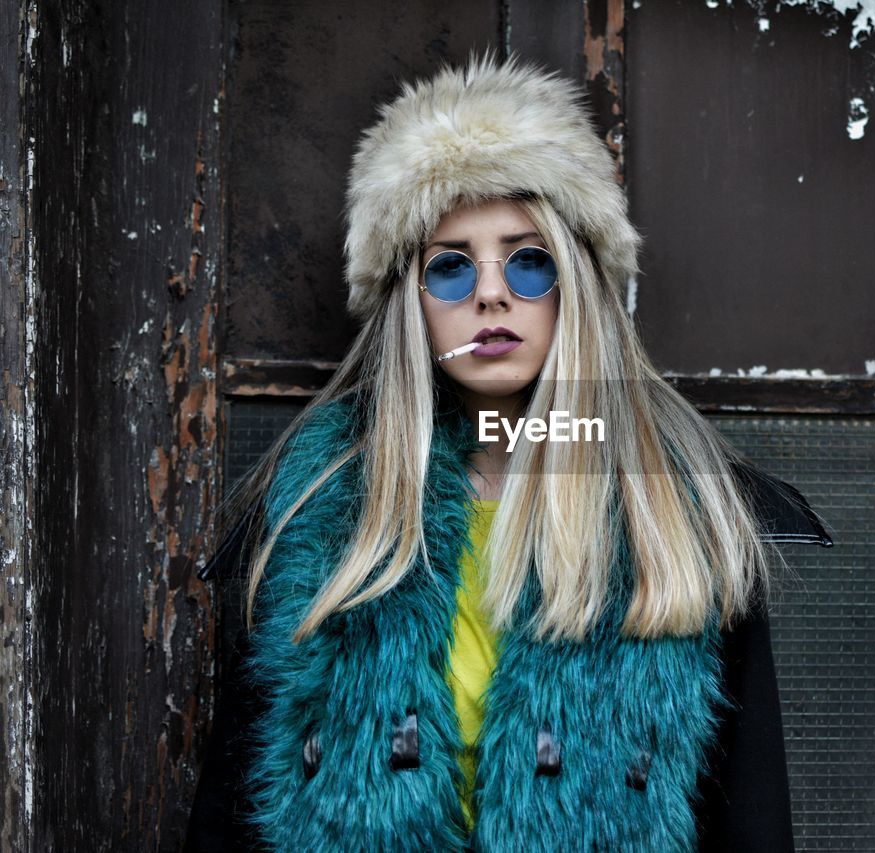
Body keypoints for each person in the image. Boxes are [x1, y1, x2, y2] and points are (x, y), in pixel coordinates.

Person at [185, 49, 832, 852]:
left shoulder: (686, 512)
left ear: (578, 285)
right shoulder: (317, 509)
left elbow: (752, 821)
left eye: (529, 262)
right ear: (409, 304)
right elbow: (231, 813)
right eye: (450, 269)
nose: (491, 292)